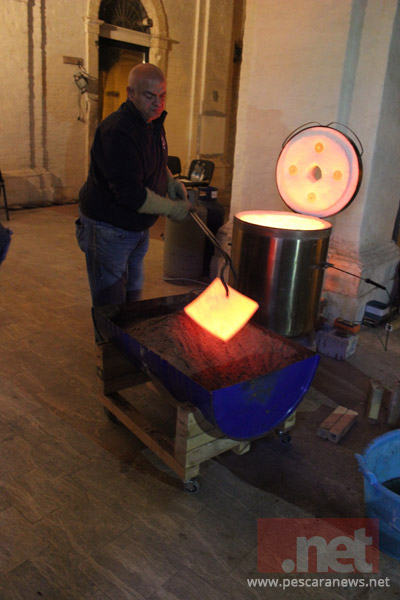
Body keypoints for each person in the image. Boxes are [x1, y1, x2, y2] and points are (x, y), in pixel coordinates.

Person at [76, 63, 189, 308]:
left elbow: (152, 160)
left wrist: (169, 181)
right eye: (149, 96)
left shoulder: (152, 122)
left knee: (132, 300)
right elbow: (131, 195)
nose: (158, 103)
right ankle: (109, 334)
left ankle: (125, 332)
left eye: (162, 96)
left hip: (137, 229)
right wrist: (171, 208)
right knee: (111, 304)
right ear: (131, 93)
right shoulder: (118, 131)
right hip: (108, 229)